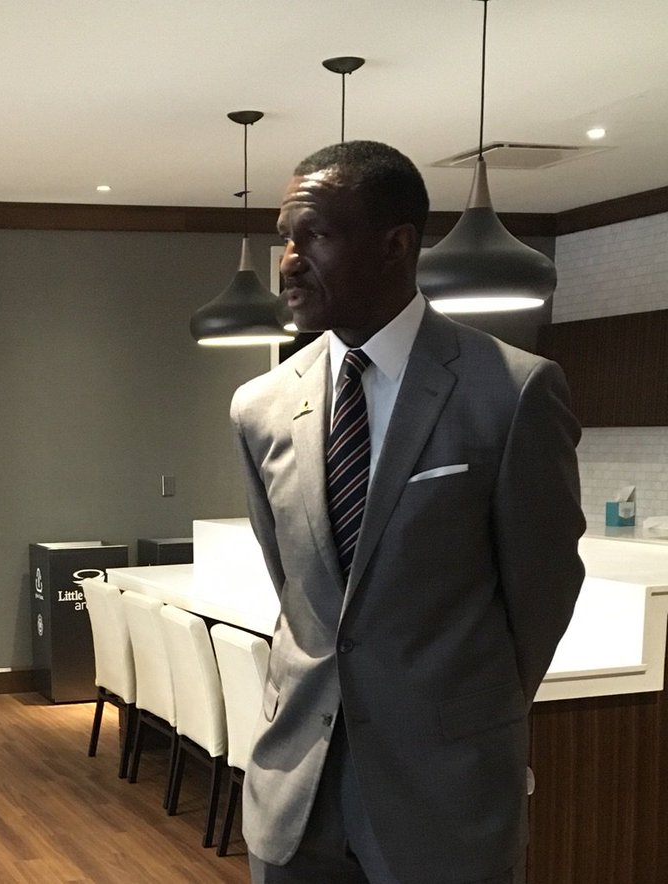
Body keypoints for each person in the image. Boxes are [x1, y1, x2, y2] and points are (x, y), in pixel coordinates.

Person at [230, 140, 585, 884]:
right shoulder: (259, 406)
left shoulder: (511, 391)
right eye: (285, 238)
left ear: (396, 245)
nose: (290, 260)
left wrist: (458, 715)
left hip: (445, 795)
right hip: (296, 789)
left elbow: (542, 597)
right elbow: (300, 592)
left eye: (315, 235)